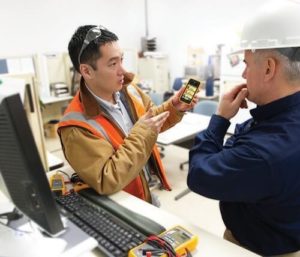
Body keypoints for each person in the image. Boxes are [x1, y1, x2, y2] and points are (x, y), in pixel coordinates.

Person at [187, 0, 300, 256]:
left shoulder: (264, 152)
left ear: (269, 68)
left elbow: (199, 174)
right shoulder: (278, 121)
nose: (244, 75)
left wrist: (220, 120)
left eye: (247, 64)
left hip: (254, 249)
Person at [58, 25, 196, 206]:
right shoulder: (76, 127)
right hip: (123, 207)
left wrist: (173, 107)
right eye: (113, 64)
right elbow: (107, 180)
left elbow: (151, 122)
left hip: (145, 192)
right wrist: (141, 133)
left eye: (121, 60)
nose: (122, 70)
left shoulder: (129, 91)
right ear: (86, 71)